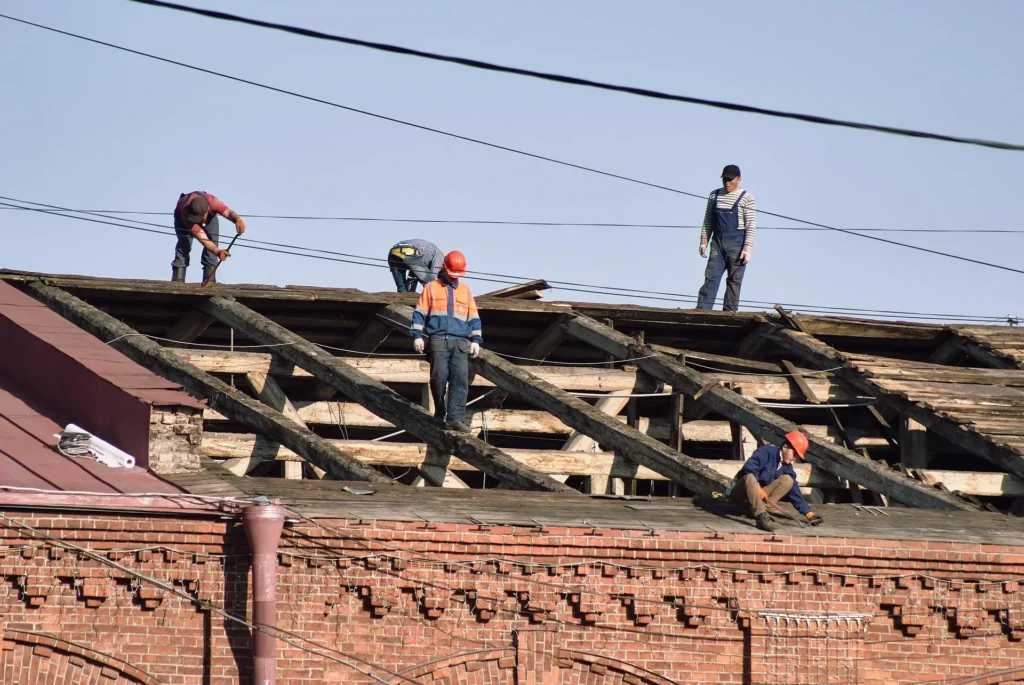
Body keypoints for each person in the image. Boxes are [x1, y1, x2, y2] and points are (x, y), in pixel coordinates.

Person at [410, 250, 482, 433]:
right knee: (439, 378)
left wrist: (476, 340)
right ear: (444, 268)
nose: (454, 278)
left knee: (460, 380)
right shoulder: (431, 288)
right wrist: (417, 336)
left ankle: (456, 418)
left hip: (459, 342)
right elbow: (420, 313)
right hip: (438, 340)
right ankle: (440, 411)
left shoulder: (466, 291)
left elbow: (473, 317)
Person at [728, 430, 824, 531]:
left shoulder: (787, 468)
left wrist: (808, 514)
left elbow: (795, 492)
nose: (794, 459)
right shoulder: (766, 452)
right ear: (785, 447)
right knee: (750, 477)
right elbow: (749, 468)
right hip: (742, 496)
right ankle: (761, 517)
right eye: (794, 453)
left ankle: (760, 510)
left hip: (756, 501)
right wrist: (757, 486)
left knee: (788, 480)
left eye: (796, 456)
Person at [696, 164, 756, 311]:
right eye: (724, 179)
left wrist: (747, 248)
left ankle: (729, 313)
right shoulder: (714, 195)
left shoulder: (746, 198)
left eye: (730, 179)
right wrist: (704, 241)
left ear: (738, 180)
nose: (727, 183)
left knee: (734, 281)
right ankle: (702, 310)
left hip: (737, 245)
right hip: (717, 243)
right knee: (711, 277)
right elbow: (708, 220)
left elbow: (751, 225)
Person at [171, 191, 246, 283]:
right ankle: (178, 279)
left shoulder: (214, 203)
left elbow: (229, 213)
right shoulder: (187, 214)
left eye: (199, 218)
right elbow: (203, 238)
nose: (198, 221)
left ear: (206, 212)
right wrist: (218, 251)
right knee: (184, 244)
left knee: (213, 239)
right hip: (182, 218)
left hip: (210, 216)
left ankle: (209, 279)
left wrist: (237, 220)